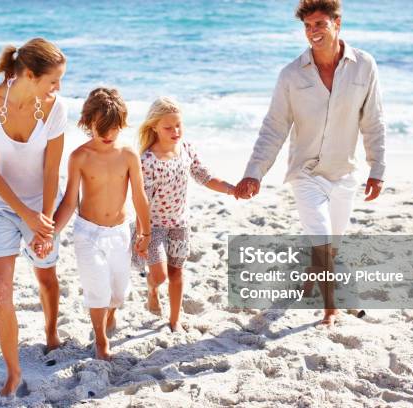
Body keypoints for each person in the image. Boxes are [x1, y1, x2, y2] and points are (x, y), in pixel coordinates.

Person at [235, 0, 386, 325]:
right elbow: (274, 127)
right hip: (305, 173)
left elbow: (373, 121)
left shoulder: (364, 66)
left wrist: (377, 169)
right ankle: (332, 307)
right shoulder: (290, 75)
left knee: (331, 246)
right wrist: (254, 172)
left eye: (319, 24)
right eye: (307, 26)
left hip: (345, 172)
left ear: (337, 23)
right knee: (321, 238)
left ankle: (311, 275)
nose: (313, 32)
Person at [0, 38, 68, 395]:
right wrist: (24, 213)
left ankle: (51, 331)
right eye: (53, 80)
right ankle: (13, 371)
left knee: (46, 276)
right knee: (0, 289)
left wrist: (43, 219)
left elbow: (52, 170)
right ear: (28, 74)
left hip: (41, 203)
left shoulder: (56, 108)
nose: (58, 88)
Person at [48, 87, 151, 360]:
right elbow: (69, 202)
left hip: (119, 232)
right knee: (97, 288)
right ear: (87, 123)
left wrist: (145, 231)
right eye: (100, 127)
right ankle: (101, 340)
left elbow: (139, 196)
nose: (107, 134)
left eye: (114, 128)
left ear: (122, 124)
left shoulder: (128, 155)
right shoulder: (79, 157)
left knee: (118, 291)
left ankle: (111, 314)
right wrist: (52, 233)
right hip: (88, 233)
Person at [133, 97, 236, 332]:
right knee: (159, 276)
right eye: (168, 127)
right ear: (154, 127)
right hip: (154, 226)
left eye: (178, 125)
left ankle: (174, 319)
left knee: (177, 272)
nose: (175, 131)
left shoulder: (186, 149)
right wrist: (142, 232)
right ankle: (152, 290)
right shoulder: (147, 160)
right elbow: (142, 199)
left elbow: (204, 176)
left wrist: (231, 189)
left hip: (180, 224)